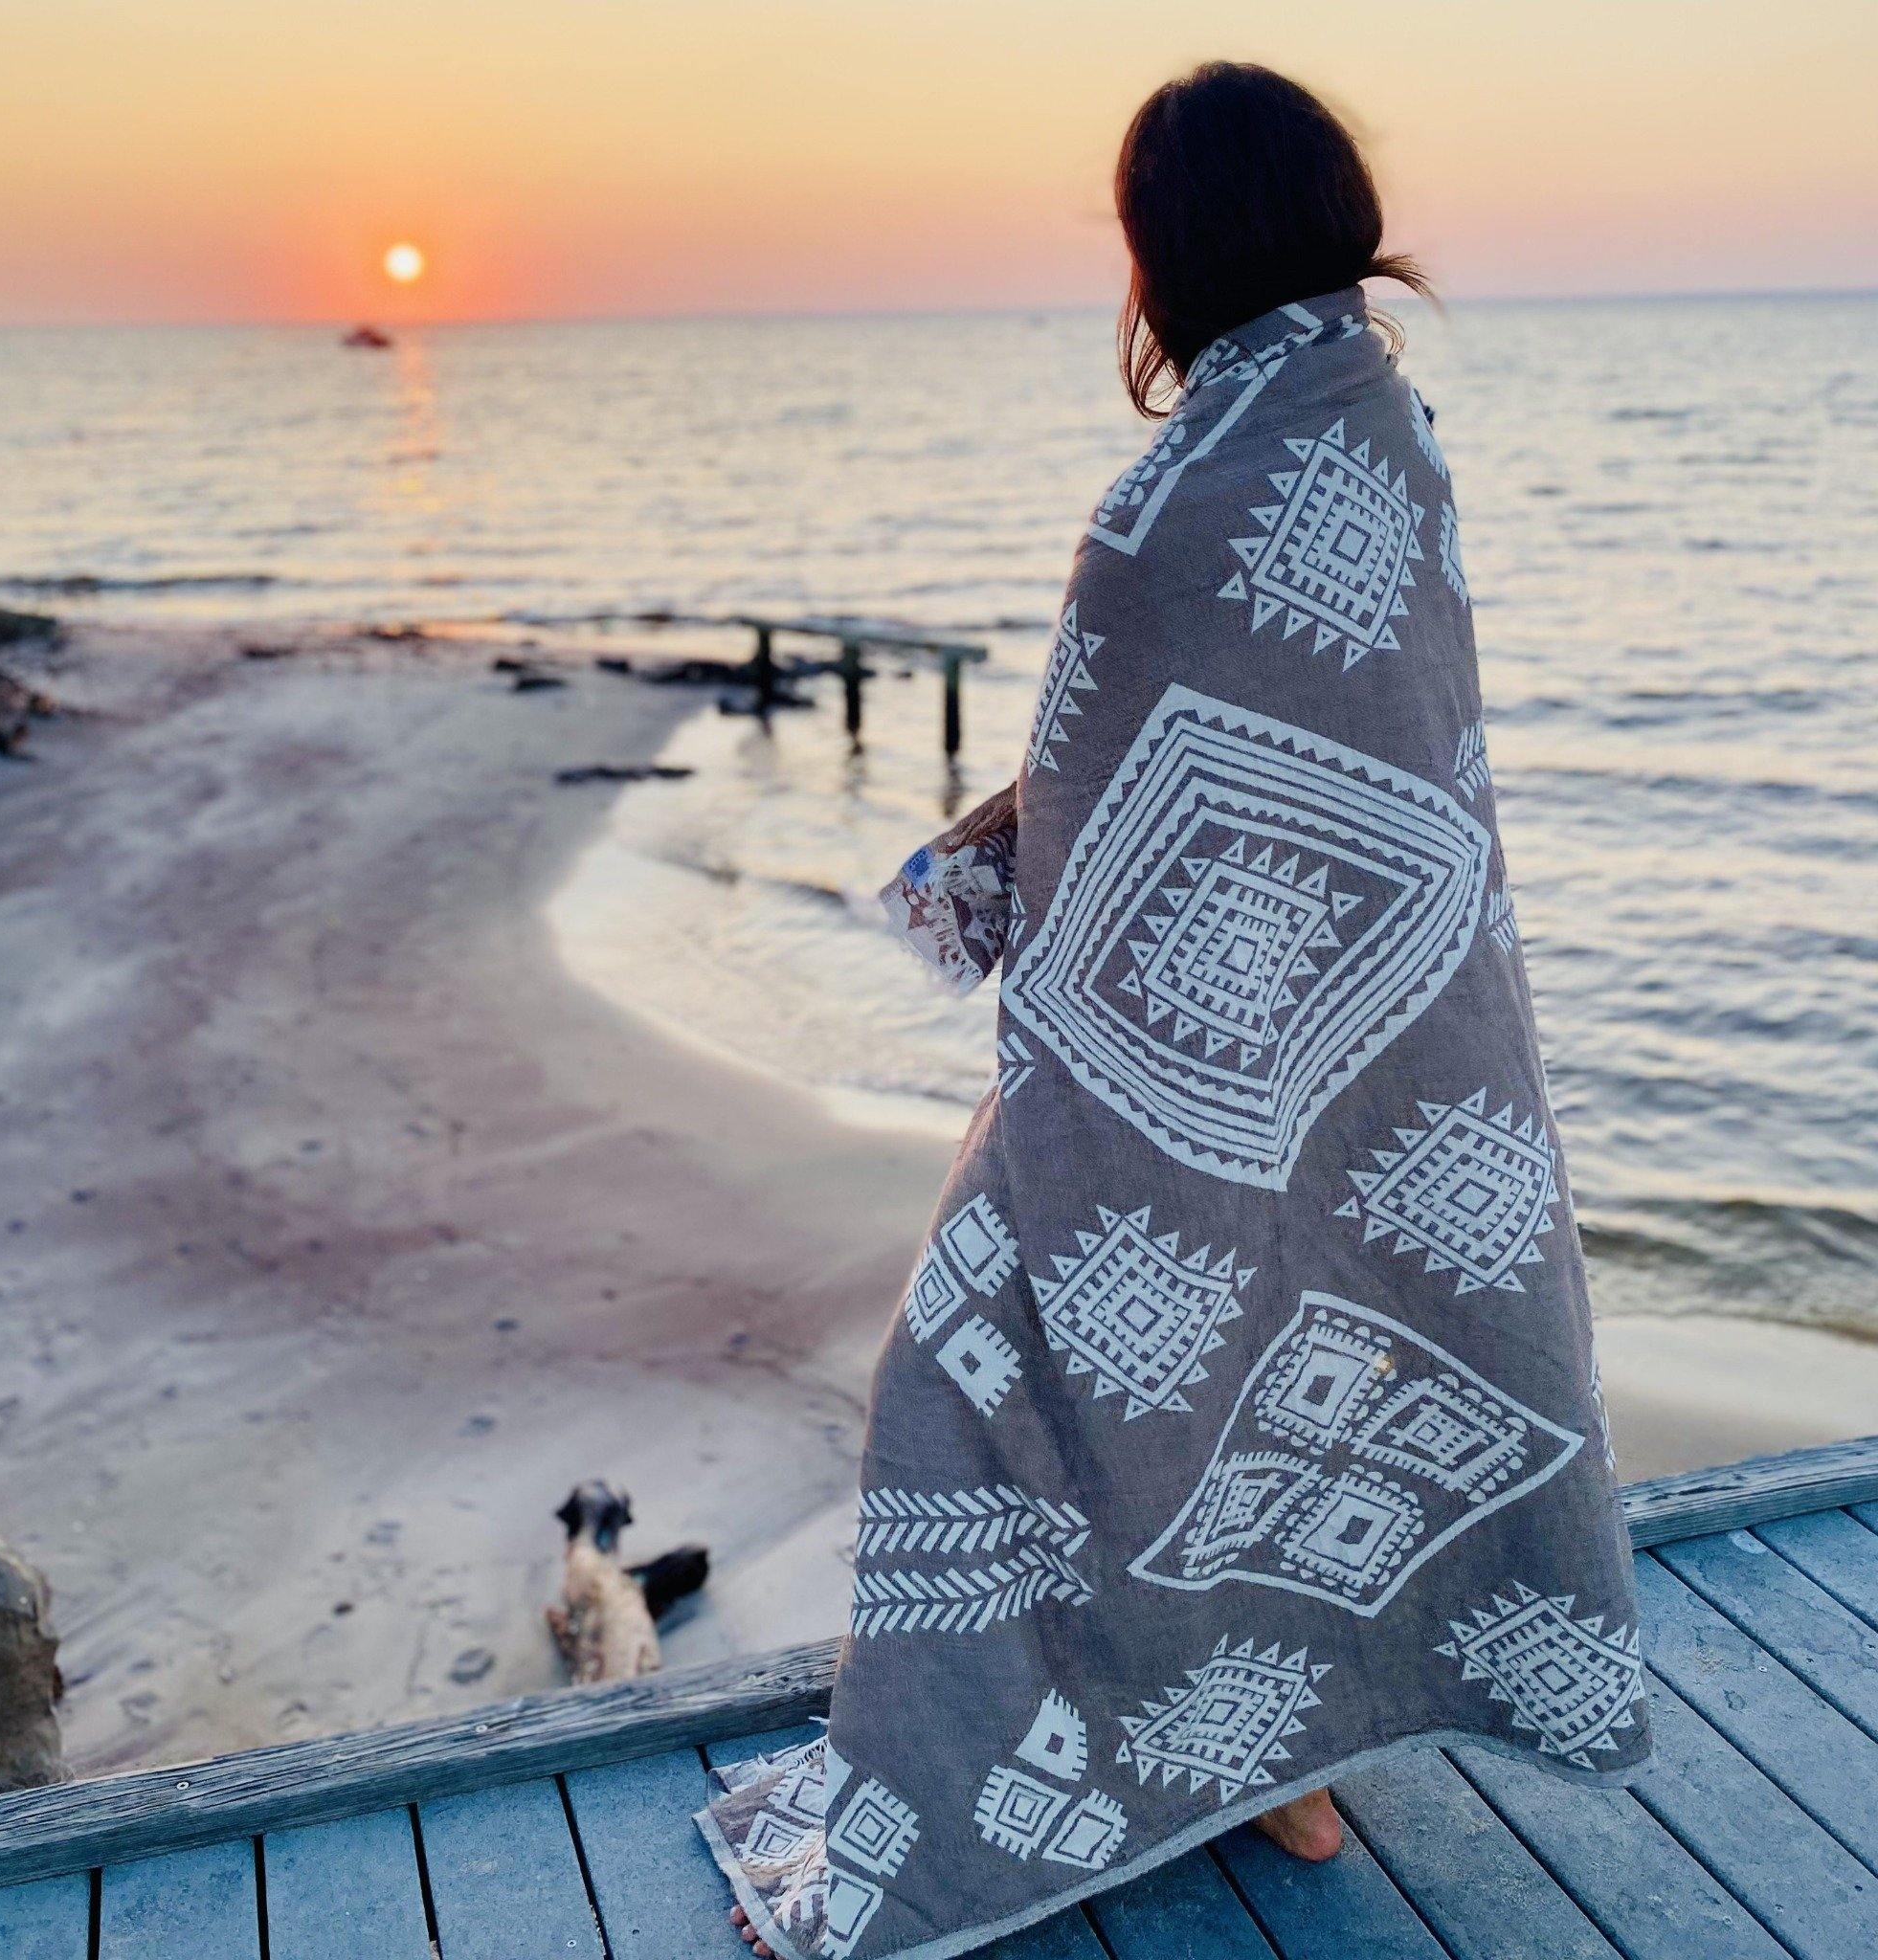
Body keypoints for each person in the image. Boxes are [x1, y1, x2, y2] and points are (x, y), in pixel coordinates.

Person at [704, 60, 1649, 1960]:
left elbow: (1143, 784)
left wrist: (978, 882)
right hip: (1397, 1053)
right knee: (1283, 1377)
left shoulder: (1183, 497)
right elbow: (1240, 759)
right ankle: (1274, 1755)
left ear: (1172, 255)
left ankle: (1131, 1772)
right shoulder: (1387, 432)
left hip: (1195, 1061)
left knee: (984, 1384)